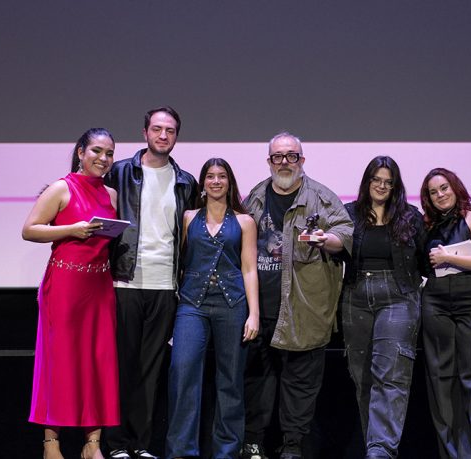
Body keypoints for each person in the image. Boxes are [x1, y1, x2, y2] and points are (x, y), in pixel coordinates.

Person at [240, 132, 353, 459]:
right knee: (257, 383)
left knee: (300, 389)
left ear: (302, 160)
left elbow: (344, 235)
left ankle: (292, 447)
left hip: (304, 311)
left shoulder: (322, 197)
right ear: (269, 161)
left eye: (292, 156)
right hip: (260, 310)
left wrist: (326, 240)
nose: (285, 162)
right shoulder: (256, 197)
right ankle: (253, 444)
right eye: (278, 156)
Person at [103, 107, 198, 459]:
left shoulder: (187, 181)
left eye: (170, 130)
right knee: (121, 366)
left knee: (150, 369)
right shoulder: (119, 173)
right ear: (144, 132)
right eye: (156, 129)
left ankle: (140, 444)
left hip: (165, 285)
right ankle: (115, 444)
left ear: (176, 136)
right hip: (123, 283)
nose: (163, 136)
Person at [23, 128, 120, 459]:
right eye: (96, 151)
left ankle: (92, 444)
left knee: (99, 361)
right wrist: (72, 230)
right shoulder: (61, 188)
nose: (103, 158)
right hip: (65, 287)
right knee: (60, 363)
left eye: (108, 153)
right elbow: (29, 229)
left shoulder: (111, 194)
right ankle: (52, 443)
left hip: (99, 286)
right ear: (80, 152)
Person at [166, 158, 260, 459]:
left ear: (230, 182)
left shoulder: (245, 221)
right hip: (192, 303)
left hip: (232, 304)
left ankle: (227, 452)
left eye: (221, 176)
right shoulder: (189, 217)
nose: (216, 181)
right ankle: (181, 451)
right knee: (182, 373)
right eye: (210, 176)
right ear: (203, 183)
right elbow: (179, 263)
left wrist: (254, 313)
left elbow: (249, 268)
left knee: (230, 379)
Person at [339, 156, 425, 459]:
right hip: (355, 296)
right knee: (362, 378)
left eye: (389, 182)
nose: (382, 186)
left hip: (398, 297)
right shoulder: (348, 214)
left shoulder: (410, 217)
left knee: (390, 376)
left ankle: (380, 453)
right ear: (368, 181)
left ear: (396, 186)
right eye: (377, 179)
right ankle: (376, 449)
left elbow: (425, 260)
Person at [418, 167, 471, 459]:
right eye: (433, 191)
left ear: (455, 188)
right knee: (441, 380)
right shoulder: (426, 226)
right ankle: (453, 454)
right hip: (436, 303)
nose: (440, 195)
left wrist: (446, 256)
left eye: (444, 188)